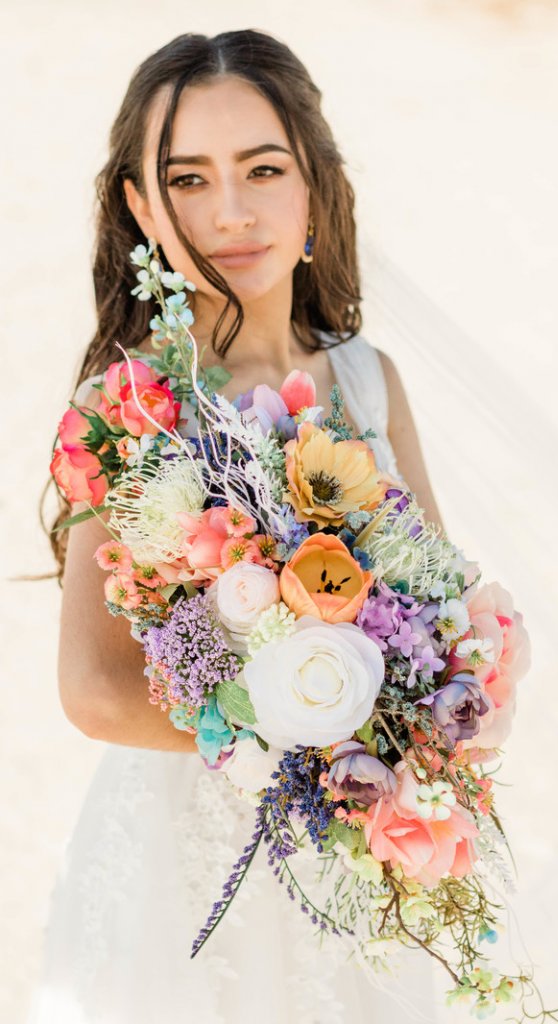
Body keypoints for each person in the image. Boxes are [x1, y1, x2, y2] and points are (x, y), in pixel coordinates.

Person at [31, 30, 445, 1023]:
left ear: (316, 185)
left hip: (355, 863)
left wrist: (428, 725)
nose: (230, 211)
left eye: (264, 168)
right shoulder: (130, 403)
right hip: (184, 870)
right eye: (187, 178)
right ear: (138, 206)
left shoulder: (367, 381)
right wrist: (310, 734)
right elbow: (93, 689)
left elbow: (441, 609)